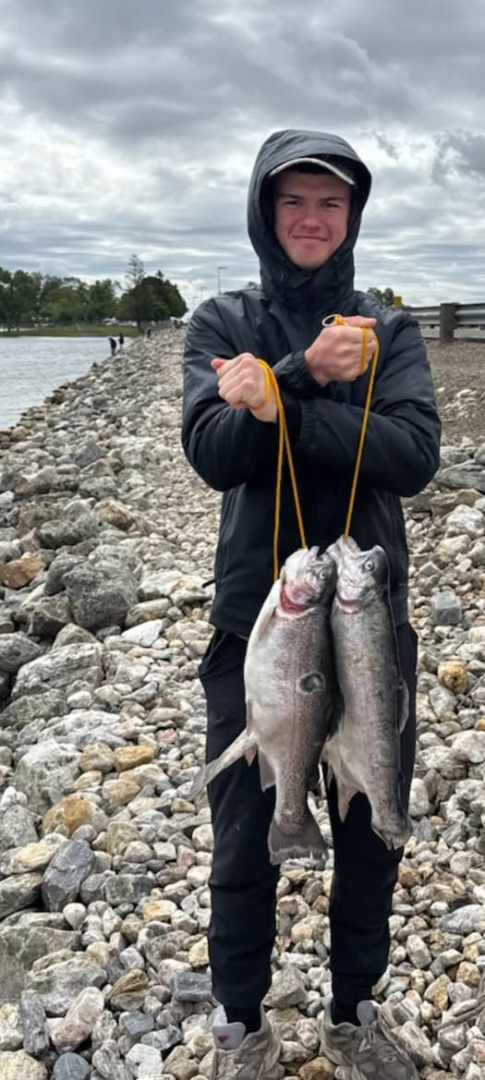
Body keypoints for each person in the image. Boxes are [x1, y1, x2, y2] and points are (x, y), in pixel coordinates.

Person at [182, 129, 441, 1080]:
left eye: (329, 203)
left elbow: (414, 458)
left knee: (373, 817)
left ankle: (354, 1010)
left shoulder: (390, 331)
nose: (310, 218)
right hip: (263, 618)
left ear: (352, 218)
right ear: (263, 209)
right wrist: (297, 375)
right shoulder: (221, 322)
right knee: (246, 827)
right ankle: (238, 1025)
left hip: (370, 617)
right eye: (292, 200)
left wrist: (290, 398)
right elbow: (213, 455)